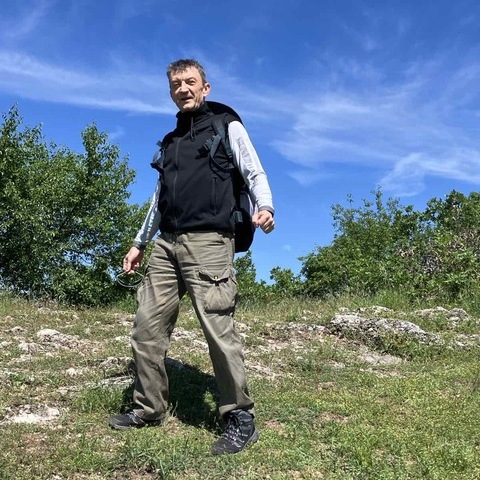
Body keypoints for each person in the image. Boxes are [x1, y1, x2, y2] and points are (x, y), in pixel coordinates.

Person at [109, 59, 275, 455]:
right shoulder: (170, 142)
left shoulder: (225, 125)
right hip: (166, 244)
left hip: (210, 241)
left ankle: (240, 417)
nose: (183, 89)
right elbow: (159, 199)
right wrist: (139, 243)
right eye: (176, 84)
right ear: (171, 91)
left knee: (217, 330)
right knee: (146, 328)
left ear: (205, 87)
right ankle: (149, 408)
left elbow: (253, 171)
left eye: (190, 82)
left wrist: (266, 206)